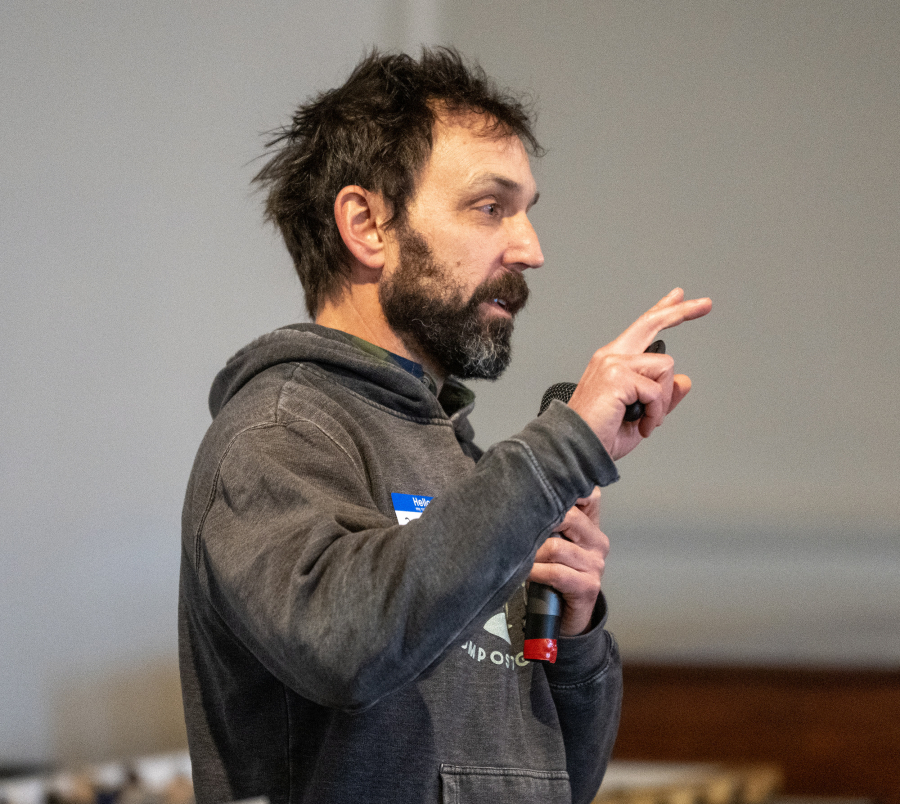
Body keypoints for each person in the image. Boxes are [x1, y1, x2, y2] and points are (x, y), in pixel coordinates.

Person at [178, 48, 711, 804]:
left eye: (527, 211)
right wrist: (558, 451)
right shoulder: (278, 433)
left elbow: (557, 780)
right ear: (367, 224)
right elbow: (347, 645)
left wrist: (576, 635)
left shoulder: (468, 469)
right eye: (491, 207)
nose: (530, 249)